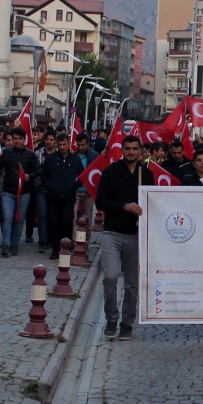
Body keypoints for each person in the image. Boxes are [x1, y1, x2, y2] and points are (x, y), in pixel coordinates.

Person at [96, 134, 150, 341]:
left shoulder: (146, 174)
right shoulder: (110, 172)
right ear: (122, 150)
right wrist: (123, 206)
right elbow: (101, 201)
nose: (131, 152)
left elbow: (152, 201)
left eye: (135, 149)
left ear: (140, 151)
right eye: (127, 149)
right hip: (113, 233)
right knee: (109, 276)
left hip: (136, 235)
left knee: (132, 283)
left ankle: (127, 323)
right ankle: (111, 318)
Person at [0, 126, 39, 257]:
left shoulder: (31, 155)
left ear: (24, 139)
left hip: (24, 192)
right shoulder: (6, 153)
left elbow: (37, 171)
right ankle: (6, 245)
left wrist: (29, 176)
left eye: (20, 139)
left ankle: (15, 244)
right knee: (7, 217)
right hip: (8, 190)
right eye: (15, 139)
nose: (17, 141)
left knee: (19, 220)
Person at [40, 132, 83, 253]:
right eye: (60, 144)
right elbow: (43, 175)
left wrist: (74, 186)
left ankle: (66, 246)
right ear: (57, 144)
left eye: (65, 144)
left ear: (69, 144)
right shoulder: (51, 159)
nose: (62, 147)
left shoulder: (75, 159)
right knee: (54, 222)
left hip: (69, 197)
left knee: (67, 221)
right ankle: (55, 248)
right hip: (53, 196)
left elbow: (82, 175)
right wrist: (50, 186)